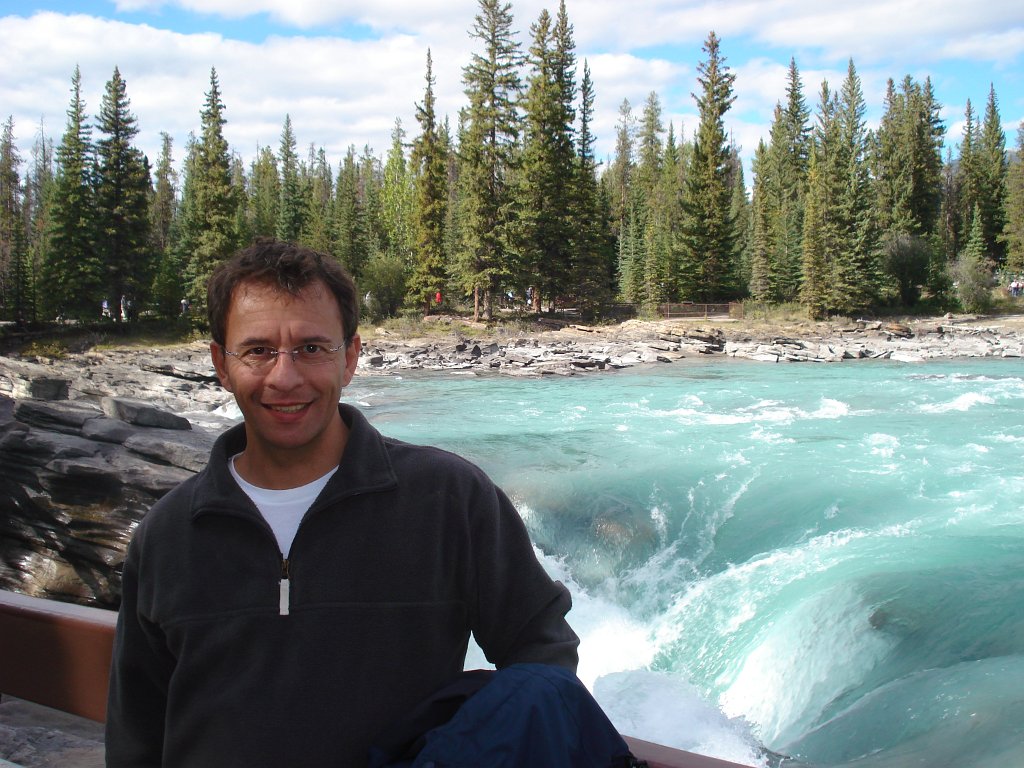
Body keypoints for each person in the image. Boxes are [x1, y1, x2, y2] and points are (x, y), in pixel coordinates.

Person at [105, 240, 579, 767]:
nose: (285, 377)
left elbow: (543, 655)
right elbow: (136, 737)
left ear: (350, 357)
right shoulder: (167, 535)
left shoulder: (450, 500)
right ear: (221, 363)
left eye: (312, 348)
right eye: (258, 350)